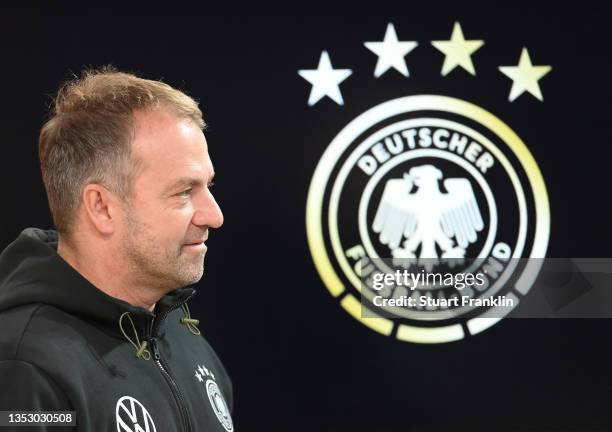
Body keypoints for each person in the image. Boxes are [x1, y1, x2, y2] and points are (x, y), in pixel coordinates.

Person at [0, 67, 234, 432]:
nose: (215, 215)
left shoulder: (180, 334)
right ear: (102, 207)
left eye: (208, 185)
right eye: (184, 191)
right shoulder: (22, 368)